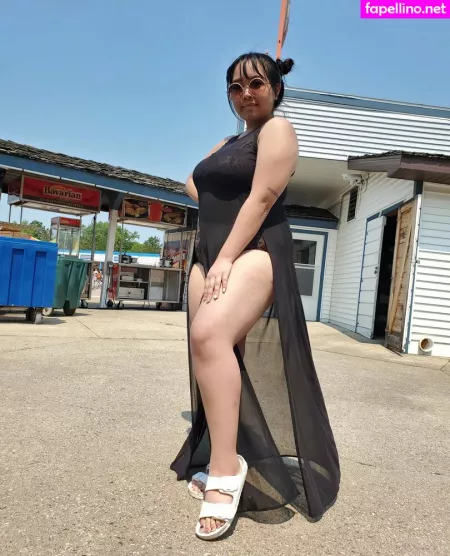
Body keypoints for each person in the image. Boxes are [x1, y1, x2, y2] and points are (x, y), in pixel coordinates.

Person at [170, 52, 340, 541]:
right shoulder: (229, 142)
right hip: (208, 252)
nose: (245, 93)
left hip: (254, 248)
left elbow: (264, 197)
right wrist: (215, 217)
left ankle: (225, 472)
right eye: (236, 87)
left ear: (275, 89)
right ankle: (233, 449)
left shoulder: (277, 131)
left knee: (208, 336)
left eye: (256, 84)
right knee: (214, 354)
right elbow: (194, 181)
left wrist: (226, 256)